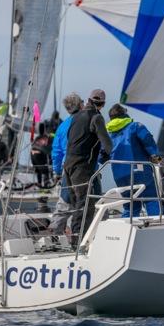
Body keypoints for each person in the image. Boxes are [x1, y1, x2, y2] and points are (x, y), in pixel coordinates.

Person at [63, 89, 113, 247]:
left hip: (68, 165)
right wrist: (106, 156)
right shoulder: (96, 117)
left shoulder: (76, 116)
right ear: (103, 104)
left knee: (77, 204)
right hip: (82, 167)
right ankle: (79, 243)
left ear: (88, 100)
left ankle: (75, 240)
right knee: (86, 204)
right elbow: (108, 145)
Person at [106, 104, 161, 218]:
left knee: (130, 206)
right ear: (124, 114)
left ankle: (125, 227)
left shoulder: (108, 135)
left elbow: (102, 156)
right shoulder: (135, 126)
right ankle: (159, 225)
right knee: (151, 200)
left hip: (120, 177)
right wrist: (157, 157)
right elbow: (148, 142)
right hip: (139, 171)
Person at [50, 93, 84, 238]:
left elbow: (56, 151)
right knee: (86, 202)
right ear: (80, 105)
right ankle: (77, 234)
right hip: (85, 168)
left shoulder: (62, 126)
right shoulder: (86, 122)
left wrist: (57, 171)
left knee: (65, 202)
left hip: (67, 168)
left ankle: (54, 233)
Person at [30, 123, 52, 187]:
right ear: (44, 129)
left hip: (33, 155)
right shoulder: (46, 137)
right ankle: (46, 185)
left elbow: (33, 144)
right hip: (39, 155)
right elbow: (48, 150)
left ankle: (39, 184)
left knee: (38, 170)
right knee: (46, 171)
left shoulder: (37, 138)